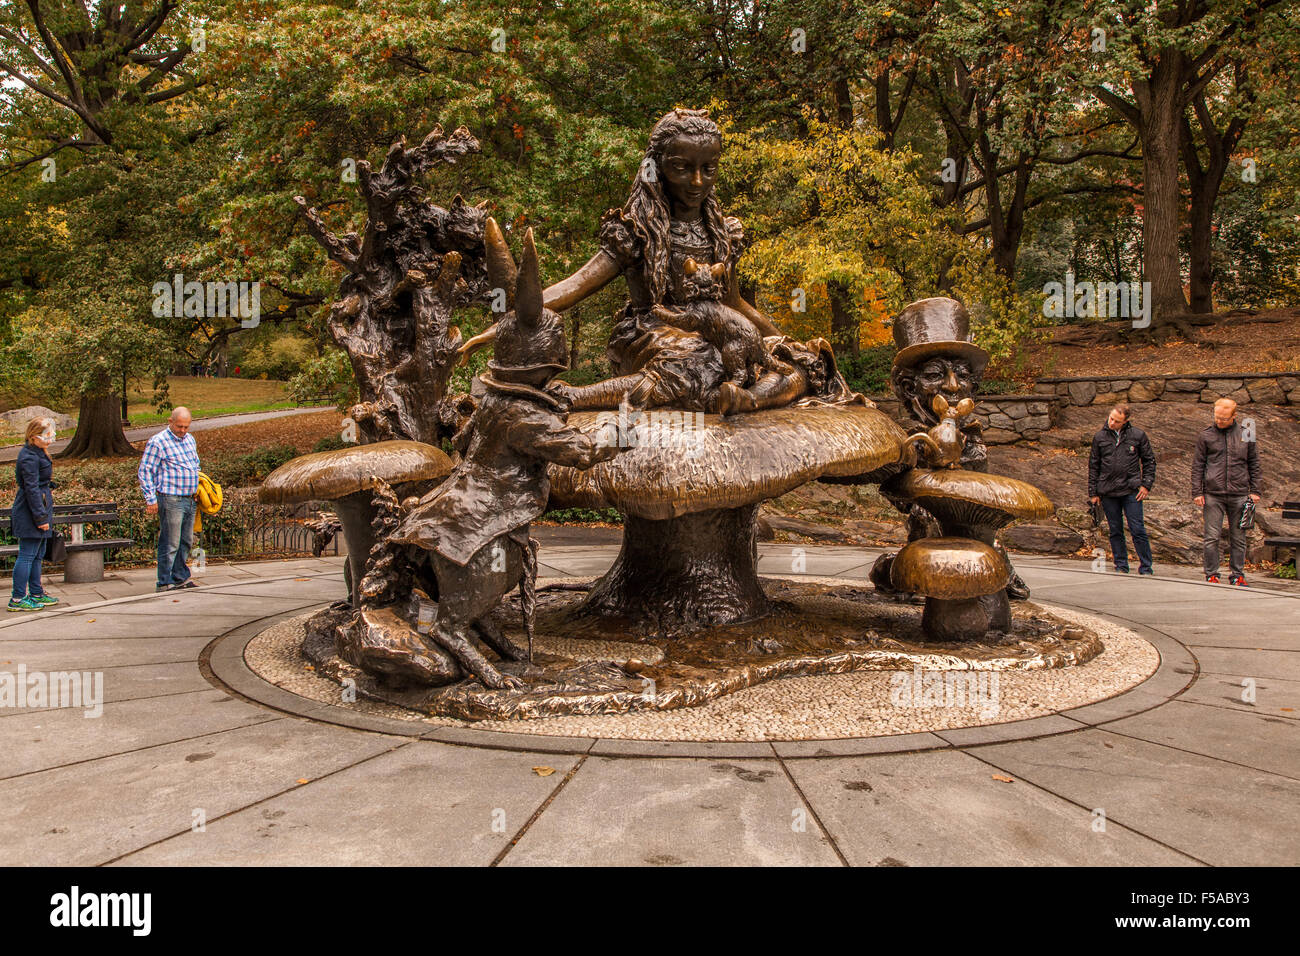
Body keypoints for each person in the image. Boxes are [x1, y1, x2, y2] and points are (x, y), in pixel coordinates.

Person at [1193, 398, 1262, 585]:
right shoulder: (1205, 435)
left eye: (1224, 418)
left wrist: (1255, 490)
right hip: (1212, 494)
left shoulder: (1246, 434)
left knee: (1238, 538)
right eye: (1217, 417)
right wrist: (1197, 492)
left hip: (1239, 493)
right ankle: (1211, 573)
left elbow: (1254, 463)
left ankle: (1238, 574)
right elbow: (1198, 465)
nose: (1219, 421)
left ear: (1234, 416)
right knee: (1211, 537)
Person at [138, 407, 201, 592]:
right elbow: (145, 470)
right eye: (179, 426)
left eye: (186, 427)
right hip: (170, 497)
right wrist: (150, 499)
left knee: (186, 541)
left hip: (190, 498)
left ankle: (180, 577)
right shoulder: (158, 442)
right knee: (170, 542)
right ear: (170, 421)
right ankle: (165, 581)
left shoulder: (190, 440)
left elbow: (195, 464)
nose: (182, 430)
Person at [1089, 403, 1156, 575]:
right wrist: (1093, 492)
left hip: (1131, 489)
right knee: (1115, 529)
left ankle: (1146, 566)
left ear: (1126, 421)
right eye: (1111, 418)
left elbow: (1149, 461)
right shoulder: (1100, 437)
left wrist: (1146, 484)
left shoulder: (1138, 435)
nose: (1112, 423)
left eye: (1117, 421)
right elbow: (1094, 465)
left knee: (1137, 529)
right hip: (1108, 490)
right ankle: (1121, 565)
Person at [8, 418, 59, 612]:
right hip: (30, 511)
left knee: (37, 554)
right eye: (46, 436)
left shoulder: (37, 452)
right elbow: (31, 489)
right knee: (27, 555)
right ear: (33, 436)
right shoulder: (29, 456)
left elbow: (38, 484)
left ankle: (36, 592)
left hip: (40, 506)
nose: (50, 439)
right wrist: (40, 518)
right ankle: (18, 597)